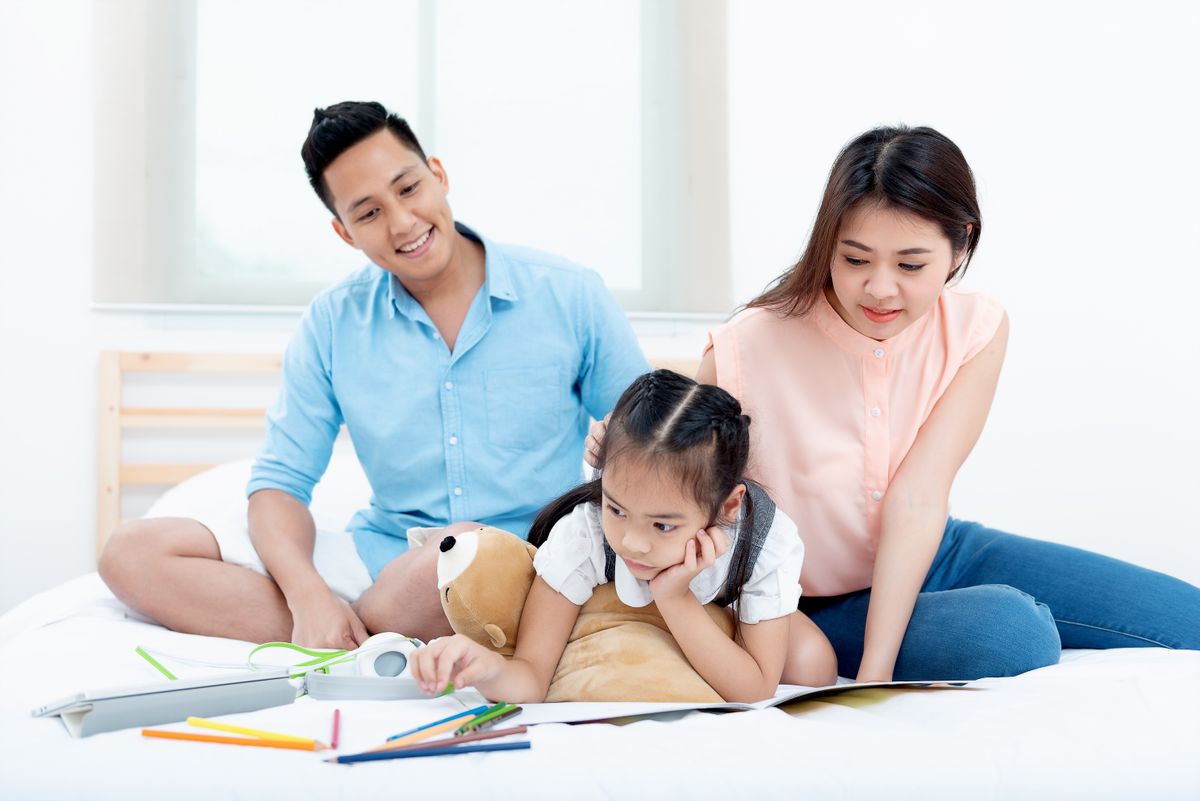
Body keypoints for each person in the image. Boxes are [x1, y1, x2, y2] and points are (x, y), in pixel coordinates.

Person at [99, 101, 649, 650]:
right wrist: (307, 593)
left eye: (408, 189)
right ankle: (354, 626)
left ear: (438, 175)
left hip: (533, 559)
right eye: (369, 213)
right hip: (386, 556)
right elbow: (280, 485)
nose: (402, 222)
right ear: (344, 233)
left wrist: (622, 458)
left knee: (465, 551)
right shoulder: (334, 322)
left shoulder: (568, 293)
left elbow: (654, 440)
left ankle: (355, 632)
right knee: (131, 554)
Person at [684, 124, 1200, 682]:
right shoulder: (748, 345)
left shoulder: (977, 326)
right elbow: (671, 477)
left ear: (960, 248)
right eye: (855, 260)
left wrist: (879, 667)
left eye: (910, 265)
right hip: (803, 599)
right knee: (1009, 633)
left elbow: (917, 498)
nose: (880, 289)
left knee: (1187, 619)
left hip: (933, 547)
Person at [409, 369, 838, 703]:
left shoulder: (764, 540)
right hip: (605, 610)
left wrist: (675, 598)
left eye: (663, 525)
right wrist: (488, 669)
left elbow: (755, 689)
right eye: (617, 508)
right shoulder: (585, 533)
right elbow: (531, 677)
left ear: (727, 506)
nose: (632, 542)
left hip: (708, 611)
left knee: (813, 663)